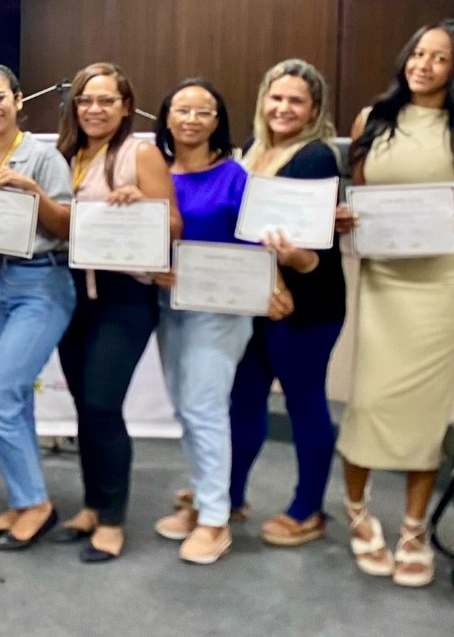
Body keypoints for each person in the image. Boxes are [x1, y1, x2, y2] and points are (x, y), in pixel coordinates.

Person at [336, 20, 454, 588]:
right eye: (417, 53)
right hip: (388, 281)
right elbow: (360, 197)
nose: (423, 65)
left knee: (427, 412)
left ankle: (414, 528)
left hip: (448, 285)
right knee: (369, 401)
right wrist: (347, 218)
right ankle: (356, 511)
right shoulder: (371, 120)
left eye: (438, 58)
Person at [149, 80, 291, 565]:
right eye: (181, 110)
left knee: (205, 407)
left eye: (203, 111)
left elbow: (258, 242)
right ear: (166, 117)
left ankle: (215, 520)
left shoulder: (235, 176)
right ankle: (204, 499)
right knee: (185, 407)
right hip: (168, 306)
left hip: (221, 311)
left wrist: (273, 284)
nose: (191, 119)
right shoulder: (157, 172)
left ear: (218, 121)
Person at [48, 62, 181, 563]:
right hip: (70, 292)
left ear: (126, 107)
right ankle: (90, 505)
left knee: (103, 405)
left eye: (106, 100)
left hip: (124, 296)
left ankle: (112, 520)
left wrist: (142, 202)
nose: (95, 109)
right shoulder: (65, 155)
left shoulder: (140, 153)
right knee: (84, 406)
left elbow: (174, 224)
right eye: (85, 100)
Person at [230, 59, 347, 549]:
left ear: (314, 109)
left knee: (304, 403)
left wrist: (286, 266)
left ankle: (308, 509)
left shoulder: (316, 157)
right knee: (244, 400)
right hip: (257, 300)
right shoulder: (253, 149)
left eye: (296, 101)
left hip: (306, 305)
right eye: (276, 98)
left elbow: (314, 250)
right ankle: (229, 496)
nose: (283, 108)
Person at [0, 64, 76, 553]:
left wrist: (33, 192)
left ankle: (36, 504)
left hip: (43, 284)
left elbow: (67, 226)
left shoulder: (45, 158)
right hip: (1, 283)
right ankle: (22, 502)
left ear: (19, 100)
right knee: (17, 402)